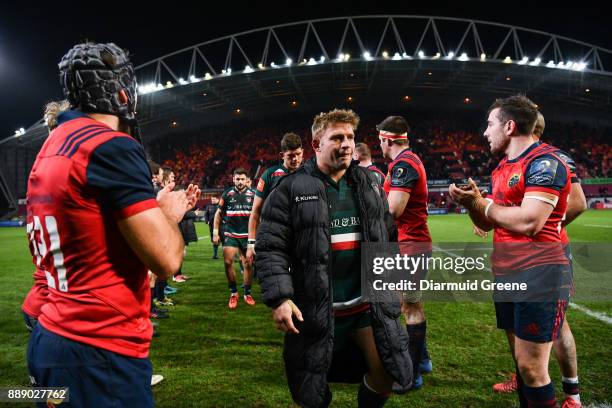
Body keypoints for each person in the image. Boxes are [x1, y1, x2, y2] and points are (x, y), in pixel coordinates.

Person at [25, 42, 200, 407]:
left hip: (52, 336)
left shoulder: (54, 141)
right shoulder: (110, 146)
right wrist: (168, 213)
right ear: (123, 91)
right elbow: (167, 260)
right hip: (98, 351)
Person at [256, 109, 412, 408]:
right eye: (337, 137)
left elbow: (386, 236)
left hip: (365, 306)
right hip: (314, 309)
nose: (346, 144)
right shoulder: (290, 188)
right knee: (311, 392)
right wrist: (279, 298)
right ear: (316, 144)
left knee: (387, 375)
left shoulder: (368, 183)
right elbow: (270, 247)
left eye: (351, 137)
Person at [449, 95, 571, 408]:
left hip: (540, 273)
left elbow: (530, 221)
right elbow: (488, 223)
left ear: (510, 125)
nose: (485, 132)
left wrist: (485, 204)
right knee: (522, 363)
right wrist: (471, 203)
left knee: (532, 367)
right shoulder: (502, 168)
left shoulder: (545, 162)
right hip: (506, 271)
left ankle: (572, 393)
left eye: (490, 125)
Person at [490, 112, 586, 407]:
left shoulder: (554, 159)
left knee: (559, 327)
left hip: (545, 258)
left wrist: (547, 226)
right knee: (521, 336)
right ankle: (524, 377)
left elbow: (578, 203)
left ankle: (572, 394)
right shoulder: (506, 165)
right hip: (510, 262)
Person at [378, 115, 433, 389]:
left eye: (380, 140)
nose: (379, 145)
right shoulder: (404, 162)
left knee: (409, 307)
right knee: (408, 304)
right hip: (408, 246)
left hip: (410, 247)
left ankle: (411, 374)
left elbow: (393, 209)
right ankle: (422, 360)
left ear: (388, 140)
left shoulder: (404, 165)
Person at [246, 132, 303, 265]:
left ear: (303, 152)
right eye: (290, 156)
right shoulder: (269, 175)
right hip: (276, 239)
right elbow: (255, 211)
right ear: (282, 155)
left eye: (298, 154)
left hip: (302, 238)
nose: (295, 159)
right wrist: (251, 243)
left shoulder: (309, 173)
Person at [213, 168, 256, 309]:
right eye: (237, 179)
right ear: (233, 179)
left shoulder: (254, 194)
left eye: (242, 179)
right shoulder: (227, 194)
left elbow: (258, 217)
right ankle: (233, 293)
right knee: (227, 263)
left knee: (248, 265)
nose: (240, 181)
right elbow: (218, 214)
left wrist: (256, 237)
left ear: (247, 180)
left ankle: (247, 293)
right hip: (230, 234)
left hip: (247, 236)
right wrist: (215, 232)